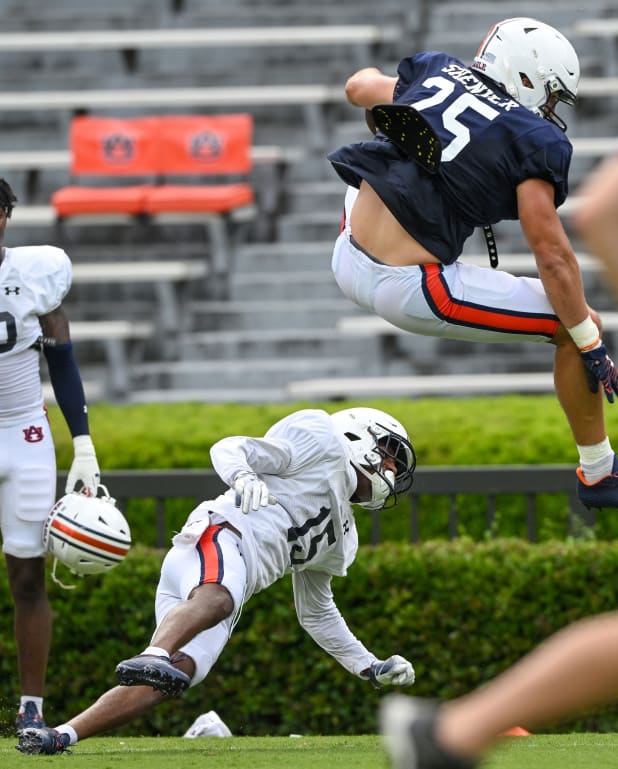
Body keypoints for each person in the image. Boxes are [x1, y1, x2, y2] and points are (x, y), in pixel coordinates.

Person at [378, 84, 618, 769]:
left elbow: (605, 211)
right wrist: (593, 340)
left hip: (378, 256)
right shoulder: (529, 138)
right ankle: (453, 732)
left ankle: (452, 735)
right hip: (405, 269)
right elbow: (568, 237)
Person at [327, 17, 618, 517]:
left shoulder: (437, 69)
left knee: (390, 160)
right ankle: (600, 473)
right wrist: (589, 342)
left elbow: (358, 86)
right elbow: (552, 254)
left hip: (348, 247)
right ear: (529, 77)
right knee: (577, 324)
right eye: (552, 97)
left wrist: (397, 111)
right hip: (409, 283)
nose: (552, 112)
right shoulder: (532, 138)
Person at [17, 406, 418, 754]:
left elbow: (316, 611)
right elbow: (230, 448)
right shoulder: (322, 441)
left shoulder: (344, 535)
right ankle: (153, 653)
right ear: (359, 436)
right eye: (391, 457)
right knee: (212, 606)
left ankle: (59, 735)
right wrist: (243, 477)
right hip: (219, 537)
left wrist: (369, 665)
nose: (393, 471)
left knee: (179, 673)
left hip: (218, 590)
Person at [0, 178, 101, 734]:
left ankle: (30, 707)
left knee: (27, 577)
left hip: (23, 434)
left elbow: (61, 354)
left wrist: (82, 442)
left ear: (6, 215)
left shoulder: (35, 272)